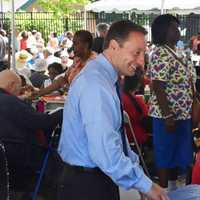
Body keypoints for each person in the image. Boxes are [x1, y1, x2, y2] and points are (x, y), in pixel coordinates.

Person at [57, 20, 169, 200]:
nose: (141, 61)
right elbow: (105, 151)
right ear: (114, 46)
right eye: (136, 53)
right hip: (86, 185)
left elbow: (116, 135)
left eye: (143, 53)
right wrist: (146, 185)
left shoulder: (106, 79)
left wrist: (137, 174)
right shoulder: (96, 85)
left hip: (96, 178)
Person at [148, 14, 196, 190]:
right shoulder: (160, 52)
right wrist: (168, 114)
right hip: (166, 115)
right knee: (165, 152)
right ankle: (164, 191)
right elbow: (158, 86)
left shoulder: (178, 51)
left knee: (181, 153)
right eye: (174, 27)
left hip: (183, 114)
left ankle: (176, 189)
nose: (178, 31)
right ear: (164, 31)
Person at [0, 70, 62, 191]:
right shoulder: (10, 102)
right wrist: (64, 111)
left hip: (6, 151)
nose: (19, 91)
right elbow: (42, 122)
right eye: (19, 88)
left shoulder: (8, 100)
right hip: (18, 153)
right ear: (12, 85)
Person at [33, 30, 96, 97]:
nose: (73, 47)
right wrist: (39, 93)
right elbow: (62, 79)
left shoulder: (94, 63)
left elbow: (86, 90)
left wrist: (65, 87)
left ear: (86, 45)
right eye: (73, 43)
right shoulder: (78, 59)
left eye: (76, 44)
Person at [122, 73, 150, 145]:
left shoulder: (120, 98)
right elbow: (146, 118)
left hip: (123, 135)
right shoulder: (138, 100)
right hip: (137, 134)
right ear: (137, 84)